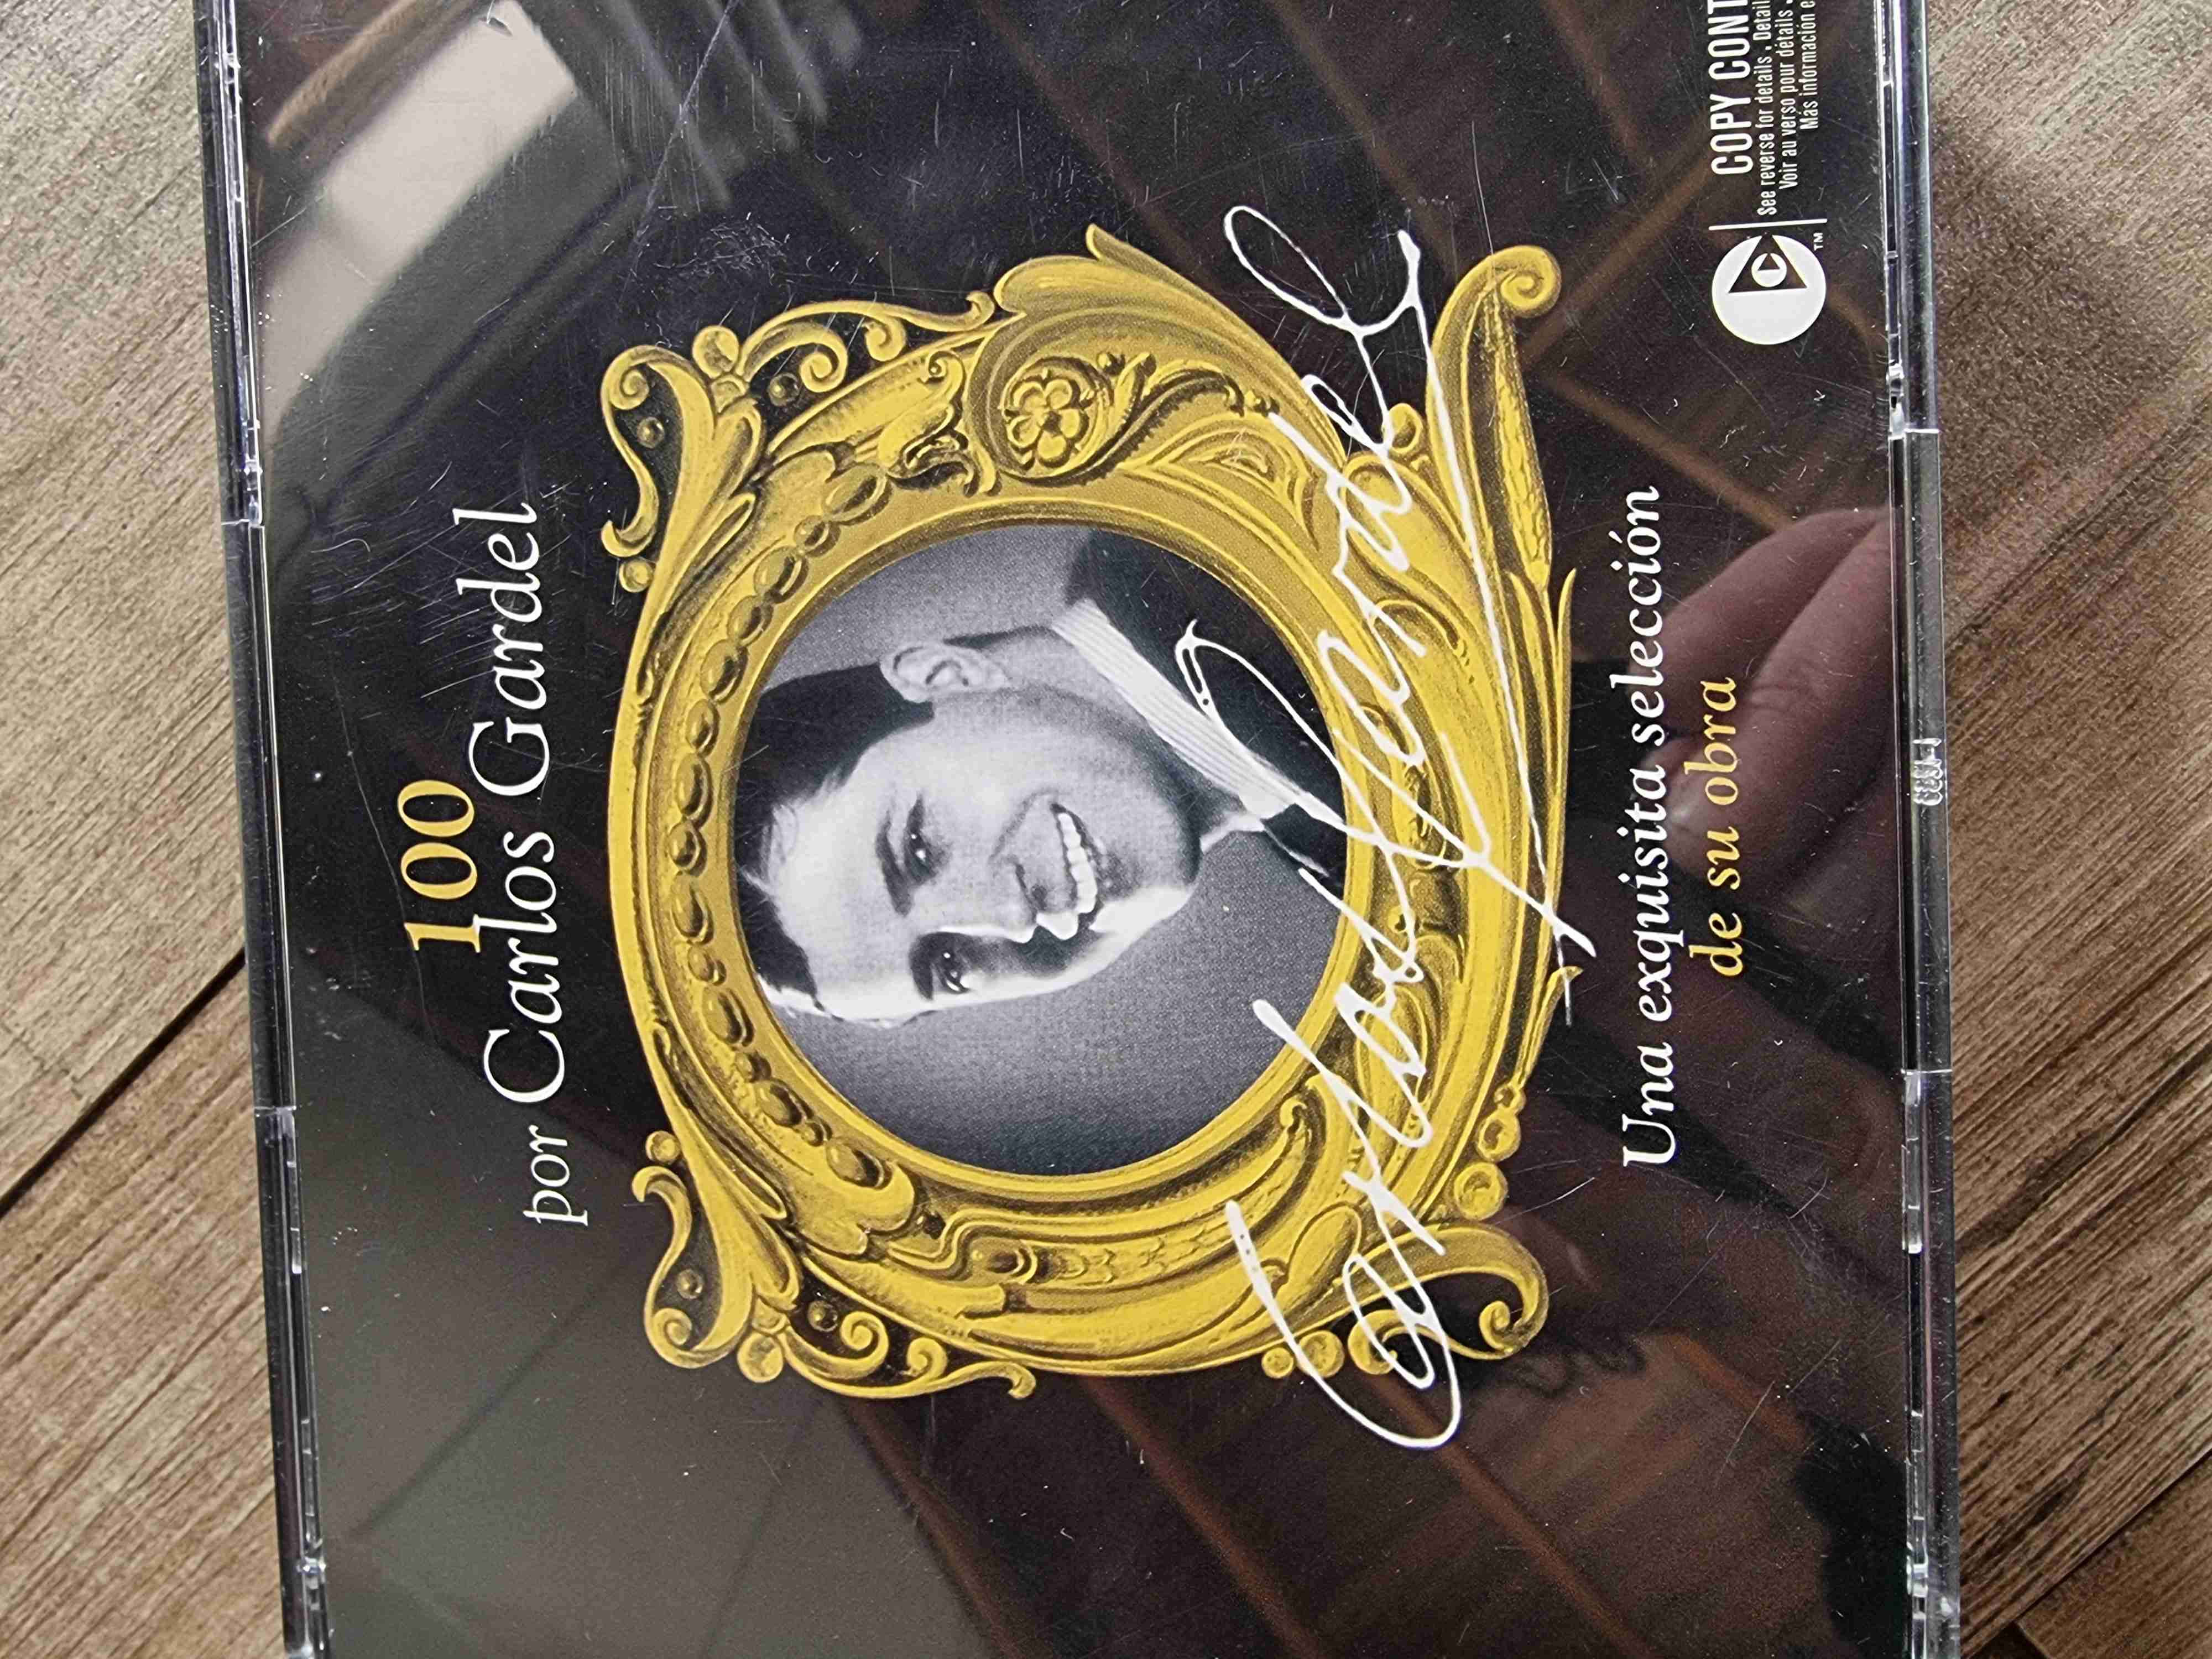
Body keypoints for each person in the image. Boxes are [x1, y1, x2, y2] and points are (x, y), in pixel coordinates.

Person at [735, 533, 1345, 1024]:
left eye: (920, 851)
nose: (1010, 918)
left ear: (947, 676)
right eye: (948, 967)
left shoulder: (1266, 548)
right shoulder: (1333, 842)